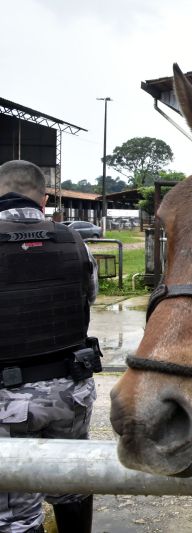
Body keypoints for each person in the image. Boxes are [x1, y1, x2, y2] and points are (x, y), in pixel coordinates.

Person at [0, 160, 100, 533]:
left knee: (15, 516)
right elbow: (87, 297)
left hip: (7, 402)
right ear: (44, 198)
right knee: (73, 486)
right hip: (71, 391)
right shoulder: (74, 241)